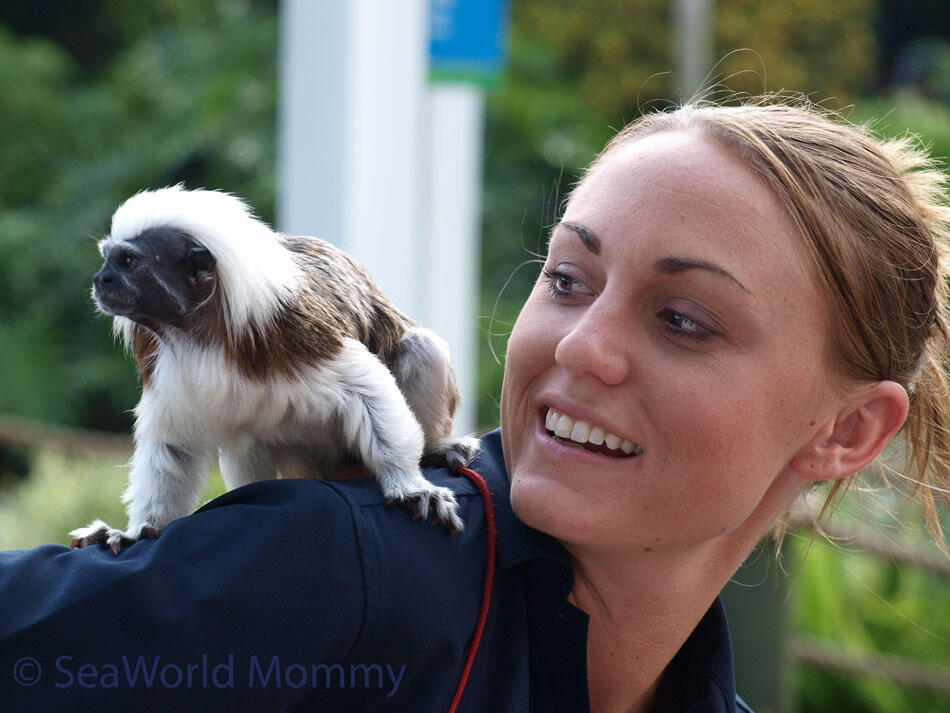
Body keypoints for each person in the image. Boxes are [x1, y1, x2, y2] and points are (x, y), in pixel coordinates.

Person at [2, 95, 949, 713]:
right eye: (569, 279)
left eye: (684, 320)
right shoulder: (345, 565)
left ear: (848, 430)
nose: (579, 346)